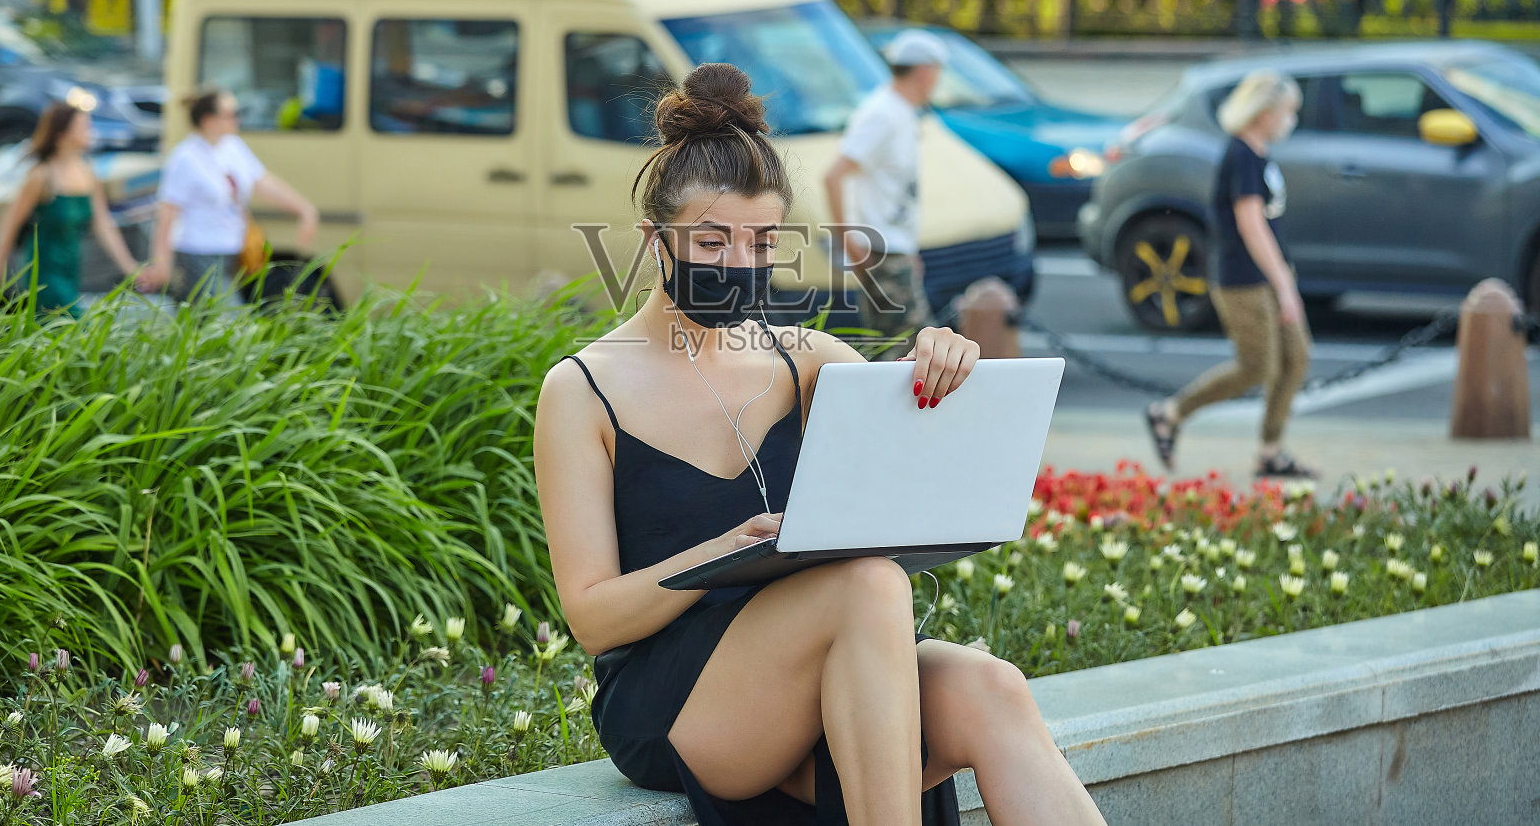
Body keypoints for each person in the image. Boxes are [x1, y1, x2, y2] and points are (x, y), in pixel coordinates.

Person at [534, 62, 1107, 826]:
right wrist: (720, 553)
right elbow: (593, 618)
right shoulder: (581, 389)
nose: (740, 264)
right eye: (711, 241)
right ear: (652, 242)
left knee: (990, 686)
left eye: (762, 240)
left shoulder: (803, 358)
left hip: (825, 665)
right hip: (673, 700)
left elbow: (912, 440)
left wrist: (941, 356)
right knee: (866, 585)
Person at [1145, 70, 1316, 479]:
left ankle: (1270, 450)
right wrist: (1284, 286)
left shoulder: (1257, 153)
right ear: (1265, 110)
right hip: (1243, 281)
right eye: (1288, 111)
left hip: (1266, 277)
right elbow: (1251, 224)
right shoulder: (1240, 155)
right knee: (1258, 366)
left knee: (1296, 357)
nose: (1291, 120)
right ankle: (1170, 413)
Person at [823, 29, 948, 359]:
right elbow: (833, 176)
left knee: (890, 354)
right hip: (881, 253)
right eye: (937, 71)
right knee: (917, 352)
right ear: (924, 71)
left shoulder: (899, 111)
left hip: (892, 250)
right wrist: (851, 243)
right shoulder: (882, 114)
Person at [140, 89, 318, 304]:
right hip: (198, 252)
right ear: (208, 120)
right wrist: (162, 263)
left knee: (213, 323)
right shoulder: (185, 157)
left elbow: (263, 182)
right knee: (225, 319)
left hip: (233, 249)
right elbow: (167, 212)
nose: (237, 119)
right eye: (230, 114)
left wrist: (304, 209)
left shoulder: (233, 147)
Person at [0, 101, 142, 316]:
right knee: (73, 324)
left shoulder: (87, 172)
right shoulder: (41, 175)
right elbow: (11, 222)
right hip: (44, 270)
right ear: (62, 132)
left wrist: (130, 267)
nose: (89, 132)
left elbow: (103, 224)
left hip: (72, 266)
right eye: (83, 127)